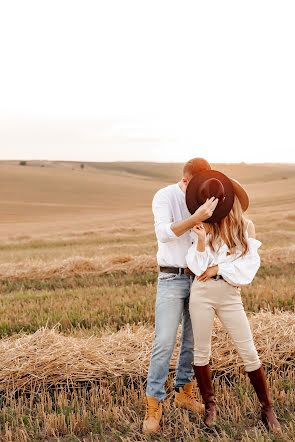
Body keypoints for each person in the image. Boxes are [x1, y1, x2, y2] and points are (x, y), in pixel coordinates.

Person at [185, 169, 282, 435]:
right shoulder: (205, 225)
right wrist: (202, 242)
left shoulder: (246, 227)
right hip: (202, 293)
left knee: (248, 350)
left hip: (229, 295)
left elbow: (248, 266)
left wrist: (218, 269)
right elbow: (196, 266)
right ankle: (210, 407)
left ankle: (267, 408)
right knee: (201, 352)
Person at [142, 158, 219, 435]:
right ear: (186, 182)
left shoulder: (208, 198)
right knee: (164, 341)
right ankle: (154, 402)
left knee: (192, 340)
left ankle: (183, 393)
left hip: (198, 278)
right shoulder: (165, 196)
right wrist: (195, 218)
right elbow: (164, 234)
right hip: (171, 278)